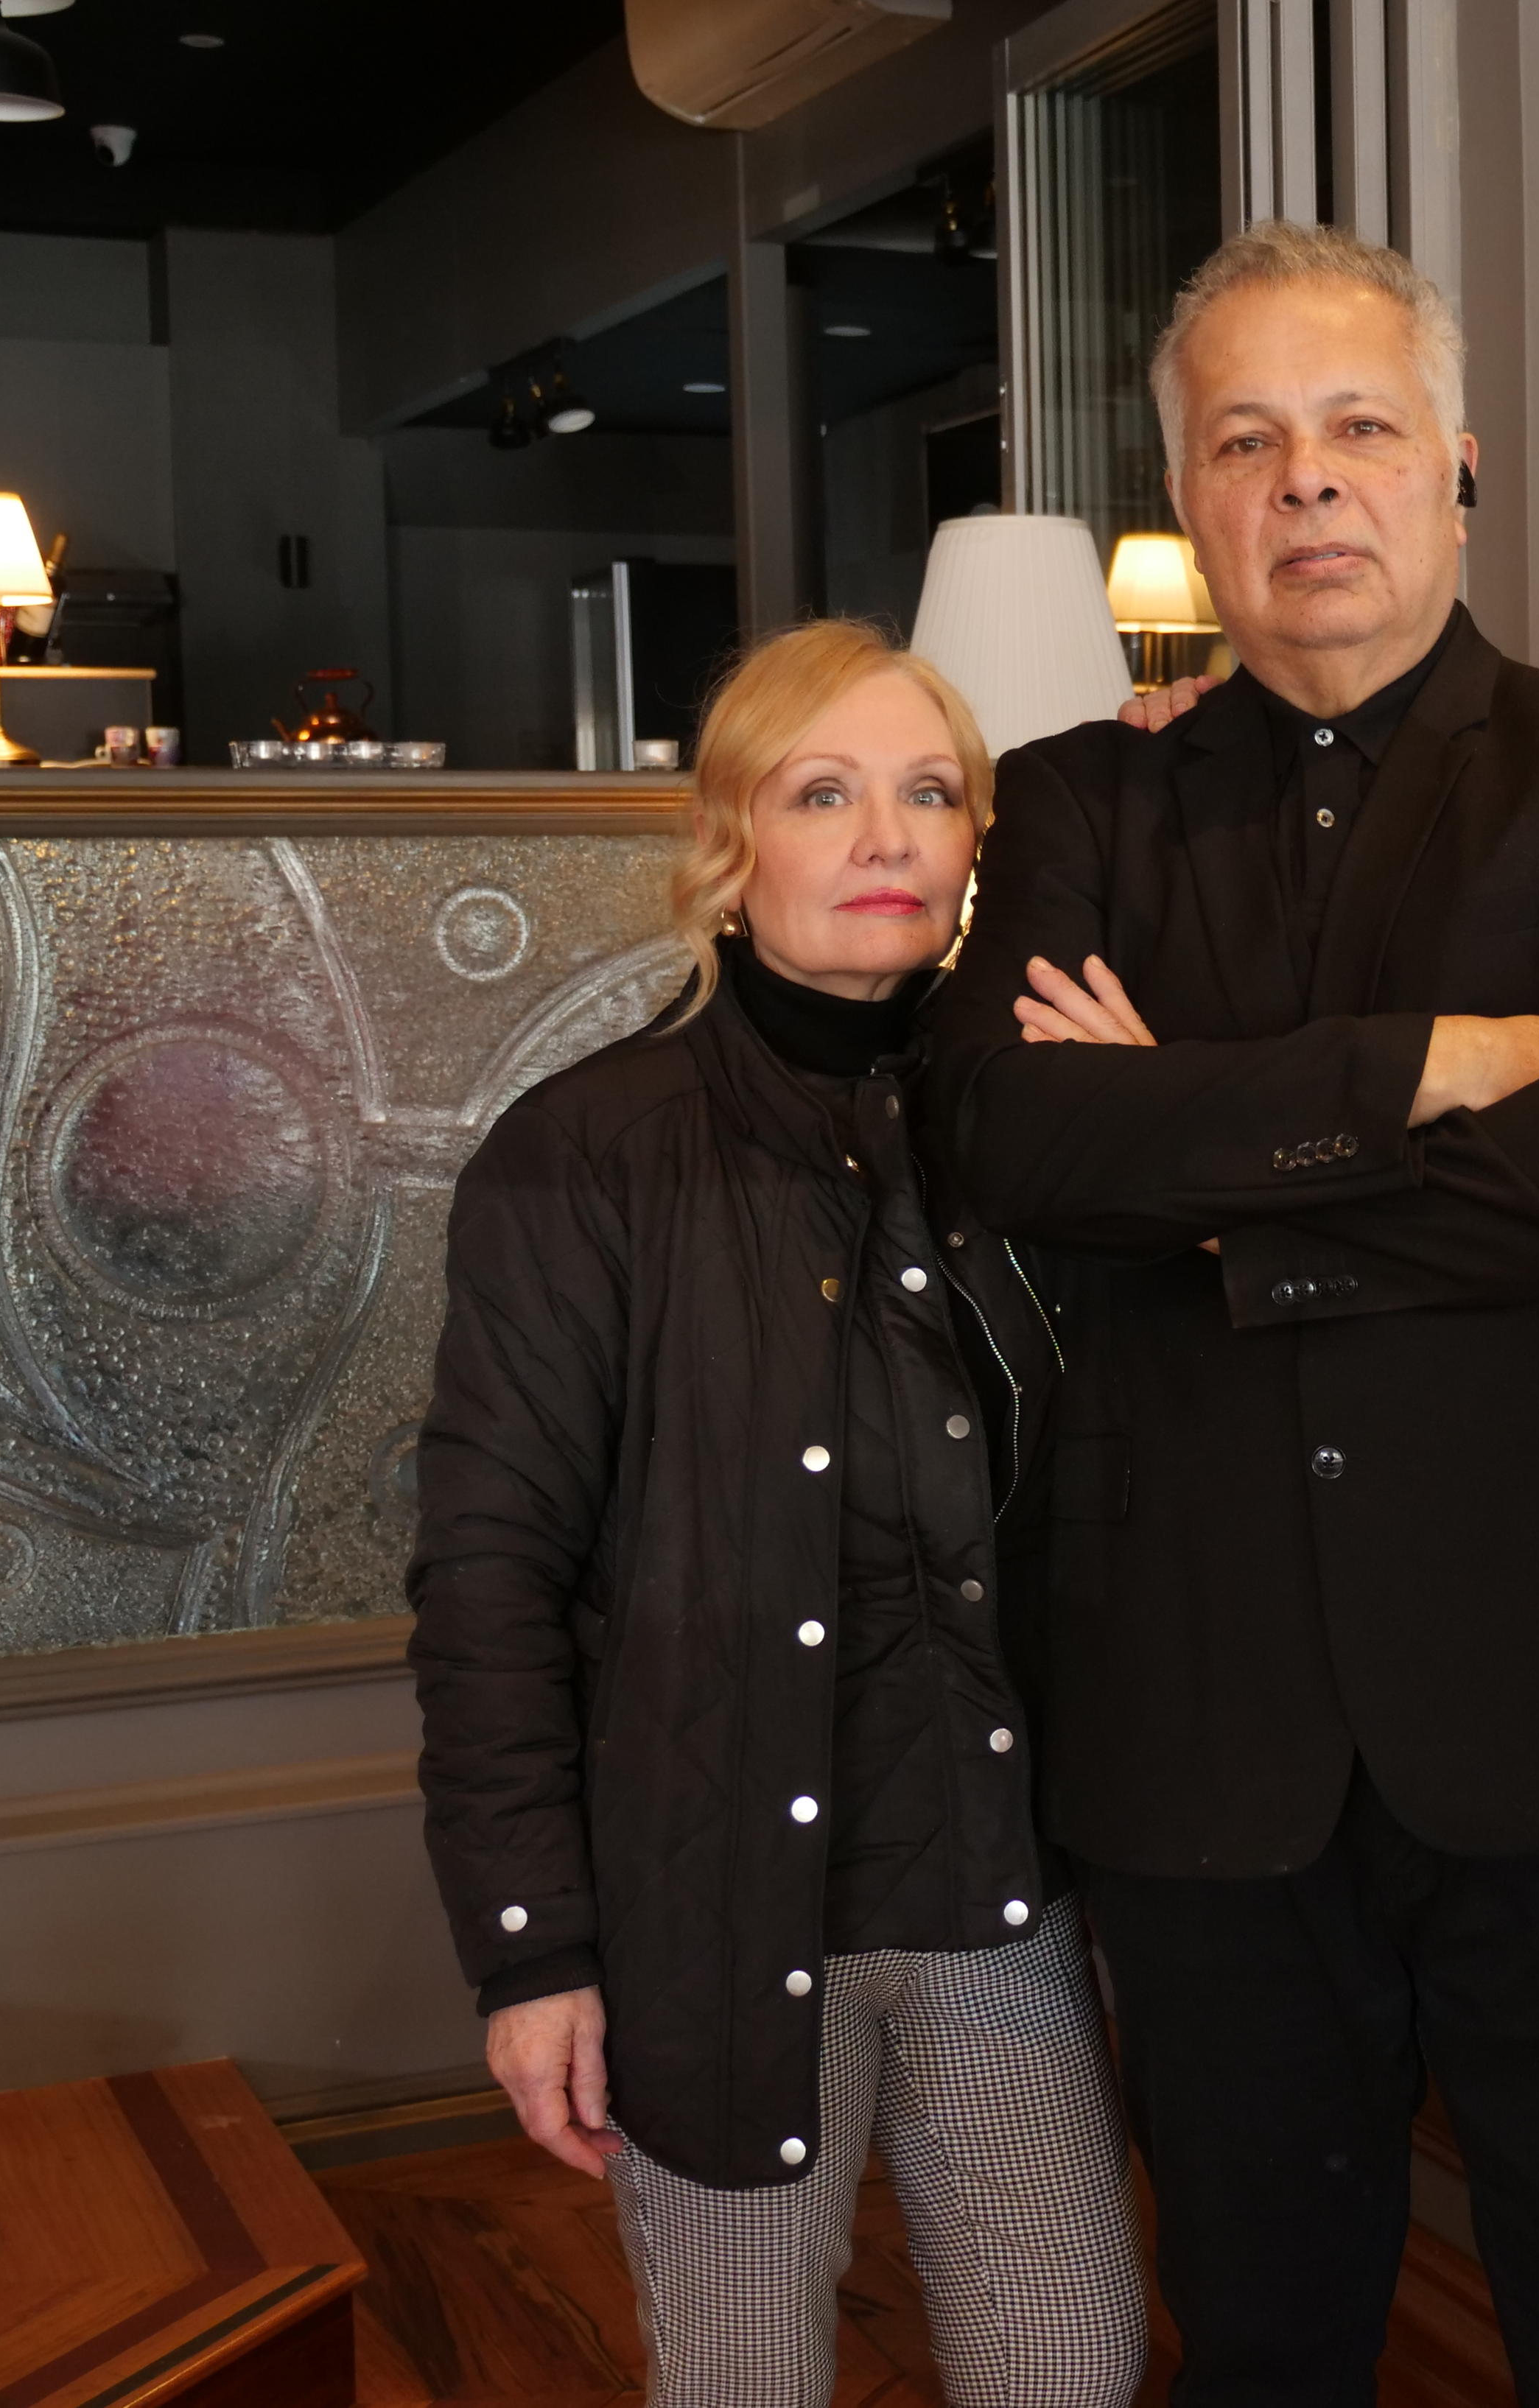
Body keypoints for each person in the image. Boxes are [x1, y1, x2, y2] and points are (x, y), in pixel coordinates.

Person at [920, 221, 1539, 2404]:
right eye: (1247, 441)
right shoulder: (1081, 795)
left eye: (1358, 429)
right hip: (1208, 1717)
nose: (1306, 479)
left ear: (1456, 468)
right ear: (1188, 498)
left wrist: (1210, 1179)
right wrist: (1434, 1066)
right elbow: (1013, 1140)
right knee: (1264, 2343)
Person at [408, 620, 1148, 2408]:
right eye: (824, 793)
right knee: (740, 2381)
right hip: (714, 1913)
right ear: (730, 846)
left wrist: (1157, 1133)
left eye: (930, 792)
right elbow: (489, 1576)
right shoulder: (587, 1154)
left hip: (997, 1891)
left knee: (1072, 2370)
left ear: (976, 847)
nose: (887, 836)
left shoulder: (1034, 1131)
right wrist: (532, 1951)